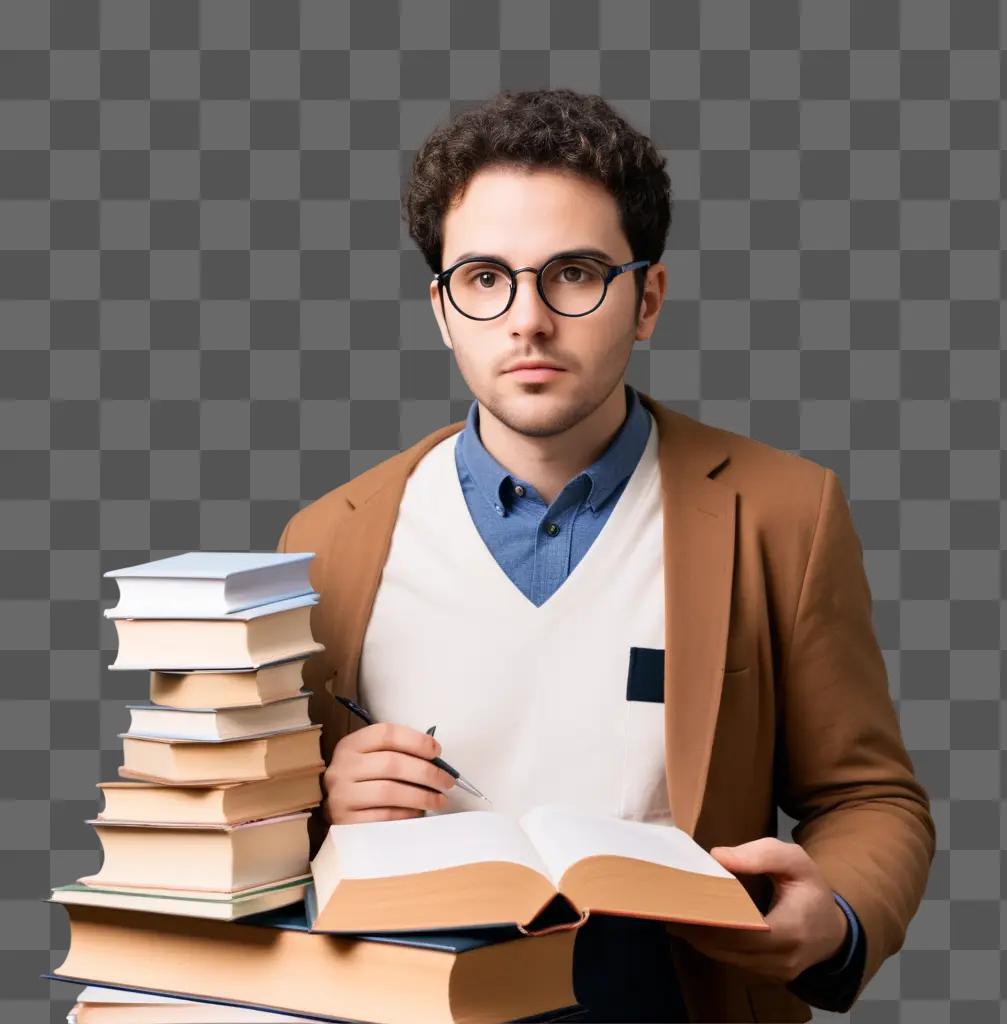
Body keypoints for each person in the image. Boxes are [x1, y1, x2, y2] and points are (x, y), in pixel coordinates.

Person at [276, 88, 935, 1023]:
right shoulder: (325, 538)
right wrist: (325, 811)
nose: (528, 319)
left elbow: (870, 796)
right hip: (404, 1001)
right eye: (484, 277)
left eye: (575, 273)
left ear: (647, 299)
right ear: (442, 307)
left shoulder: (785, 512)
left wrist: (834, 916)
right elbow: (247, 836)